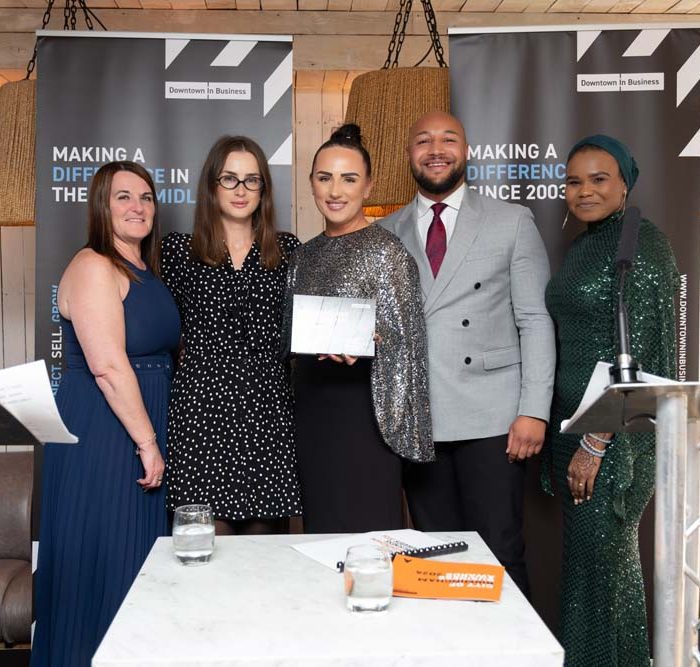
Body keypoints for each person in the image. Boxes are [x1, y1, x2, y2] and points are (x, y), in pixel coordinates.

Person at [380, 111, 556, 595]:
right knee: (437, 558)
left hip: (494, 417)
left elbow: (535, 320)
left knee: (500, 550)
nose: (436, 150)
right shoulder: (386, 231)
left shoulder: (511, 220)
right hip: (420, 420)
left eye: (448, 139)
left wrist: (534, 410)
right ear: (409, 154)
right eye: (423, 141)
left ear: (467, 151)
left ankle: (513, 641)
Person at [31, 162, 181, 666]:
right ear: (101, 205)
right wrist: (147, 443)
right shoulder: (94, 265)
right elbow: (109, 367)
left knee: (139, 565)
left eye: (146, 197)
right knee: (107, 560)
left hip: (140, 422)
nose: (137, 207)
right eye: (123, 197)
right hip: (106, 431)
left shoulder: (142, 269)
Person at [543, 135, 679, 666]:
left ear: (625, 185)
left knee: (604, 573)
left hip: (612, 439)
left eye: (599, 179)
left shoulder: (642, 244)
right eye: (574, 181)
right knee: (593, 575)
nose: (584, 191)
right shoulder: (585, 246)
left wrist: (597, 443)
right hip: (573, 427)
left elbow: (642, 357)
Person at [285, 123, 433, 533]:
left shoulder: (388, 252)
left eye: (349, 179)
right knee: (320, 534)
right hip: (313, 408)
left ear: (368, 187)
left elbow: (410, 350)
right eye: (324, 178)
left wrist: (373, 344)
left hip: (365, 414)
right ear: (312, 184)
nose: (335, 191)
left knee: (367, 536)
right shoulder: (303, 256)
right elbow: (289, 340)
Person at [162, 136, 302, 536]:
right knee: (206, 543)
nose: (241, 190)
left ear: (263, 189)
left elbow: (307, 326)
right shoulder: (178, 252)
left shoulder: (287, 250)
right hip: (201, 412)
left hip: (267, 410)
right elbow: (158, 327)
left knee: (263, 548)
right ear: (212, 185)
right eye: (230, 179)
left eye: (251, 180)